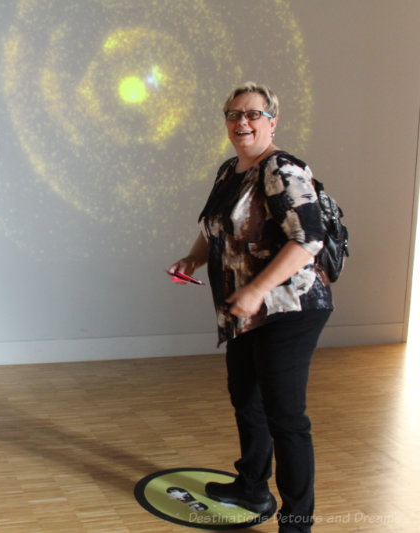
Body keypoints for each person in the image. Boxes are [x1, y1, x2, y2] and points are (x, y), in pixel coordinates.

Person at [168, 82, 333, 533]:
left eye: (253, 114)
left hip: (290, 306)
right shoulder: (230, 172)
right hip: (244, 311)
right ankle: (252, 486)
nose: (242, 122)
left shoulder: (283, 168)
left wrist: (258, 288)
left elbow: (308, 239)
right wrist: (193, 257)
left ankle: (297, 521)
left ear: (272, 120)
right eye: (233, 114)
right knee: (247, 400)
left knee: (286, 417)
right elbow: (217, 228)